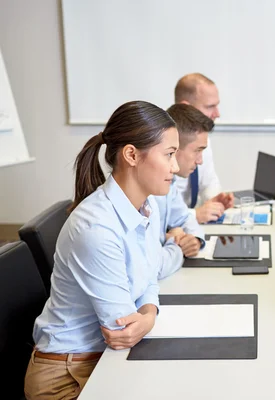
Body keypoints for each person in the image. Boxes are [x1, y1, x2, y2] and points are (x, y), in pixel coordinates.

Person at [24, 101, 179, 399]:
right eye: (169, 155)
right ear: (132, 155)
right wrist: (145, 318)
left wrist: (148, 314)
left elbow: (150, 277)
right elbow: (120, 330)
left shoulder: (148, 206)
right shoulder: (96, 226)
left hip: (104, 361)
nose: (176, 166)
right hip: (67, 375)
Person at [154, 103, 217, 279]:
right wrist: (176, 244)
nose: (200, 161)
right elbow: (154, 268)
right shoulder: (150, 190)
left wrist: (194, 239)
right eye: (197, 151)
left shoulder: (169, 182)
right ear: (174, 146)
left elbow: (185, 218)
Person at [174, 73, 234, 223]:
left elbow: (208, 181)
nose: (217, 114)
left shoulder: (201, 138)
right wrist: (195, 215)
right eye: (210, 106)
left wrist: (215, 201)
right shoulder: (163, 146)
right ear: (185, 107)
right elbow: (161, 210)